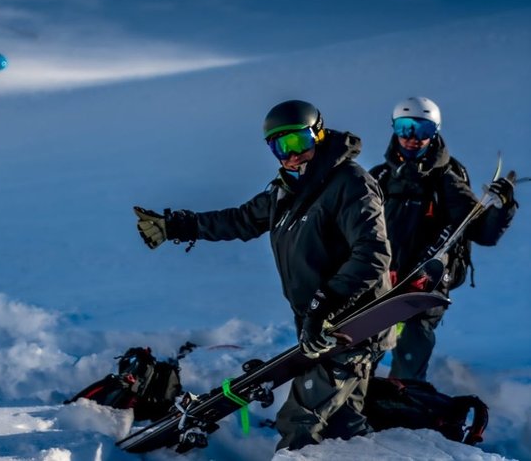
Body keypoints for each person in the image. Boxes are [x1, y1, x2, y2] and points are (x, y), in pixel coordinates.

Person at [134, 99, 393, 451]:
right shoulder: (285, 191)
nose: (290, 155)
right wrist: (179, 225)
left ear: (317, 135)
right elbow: (240, 219)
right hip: (317, 322)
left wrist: (325, 305)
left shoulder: (350, 183)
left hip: (350, 324)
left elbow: (372, 254)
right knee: (342, 424)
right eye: (279, 147)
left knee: (299, 421)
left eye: (297, 143)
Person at [369, 97, 517, 381]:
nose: (413, 138)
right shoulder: (381, 177)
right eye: (405, 128)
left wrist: (503, 208)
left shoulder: (446, 179)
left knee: (410, 345)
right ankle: (354, 406)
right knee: (363, 349)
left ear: (435, 132)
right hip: (382, 283)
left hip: (424, 286)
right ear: (394, 129)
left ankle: (403, 410)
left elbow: (482, 232)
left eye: (422, 130)